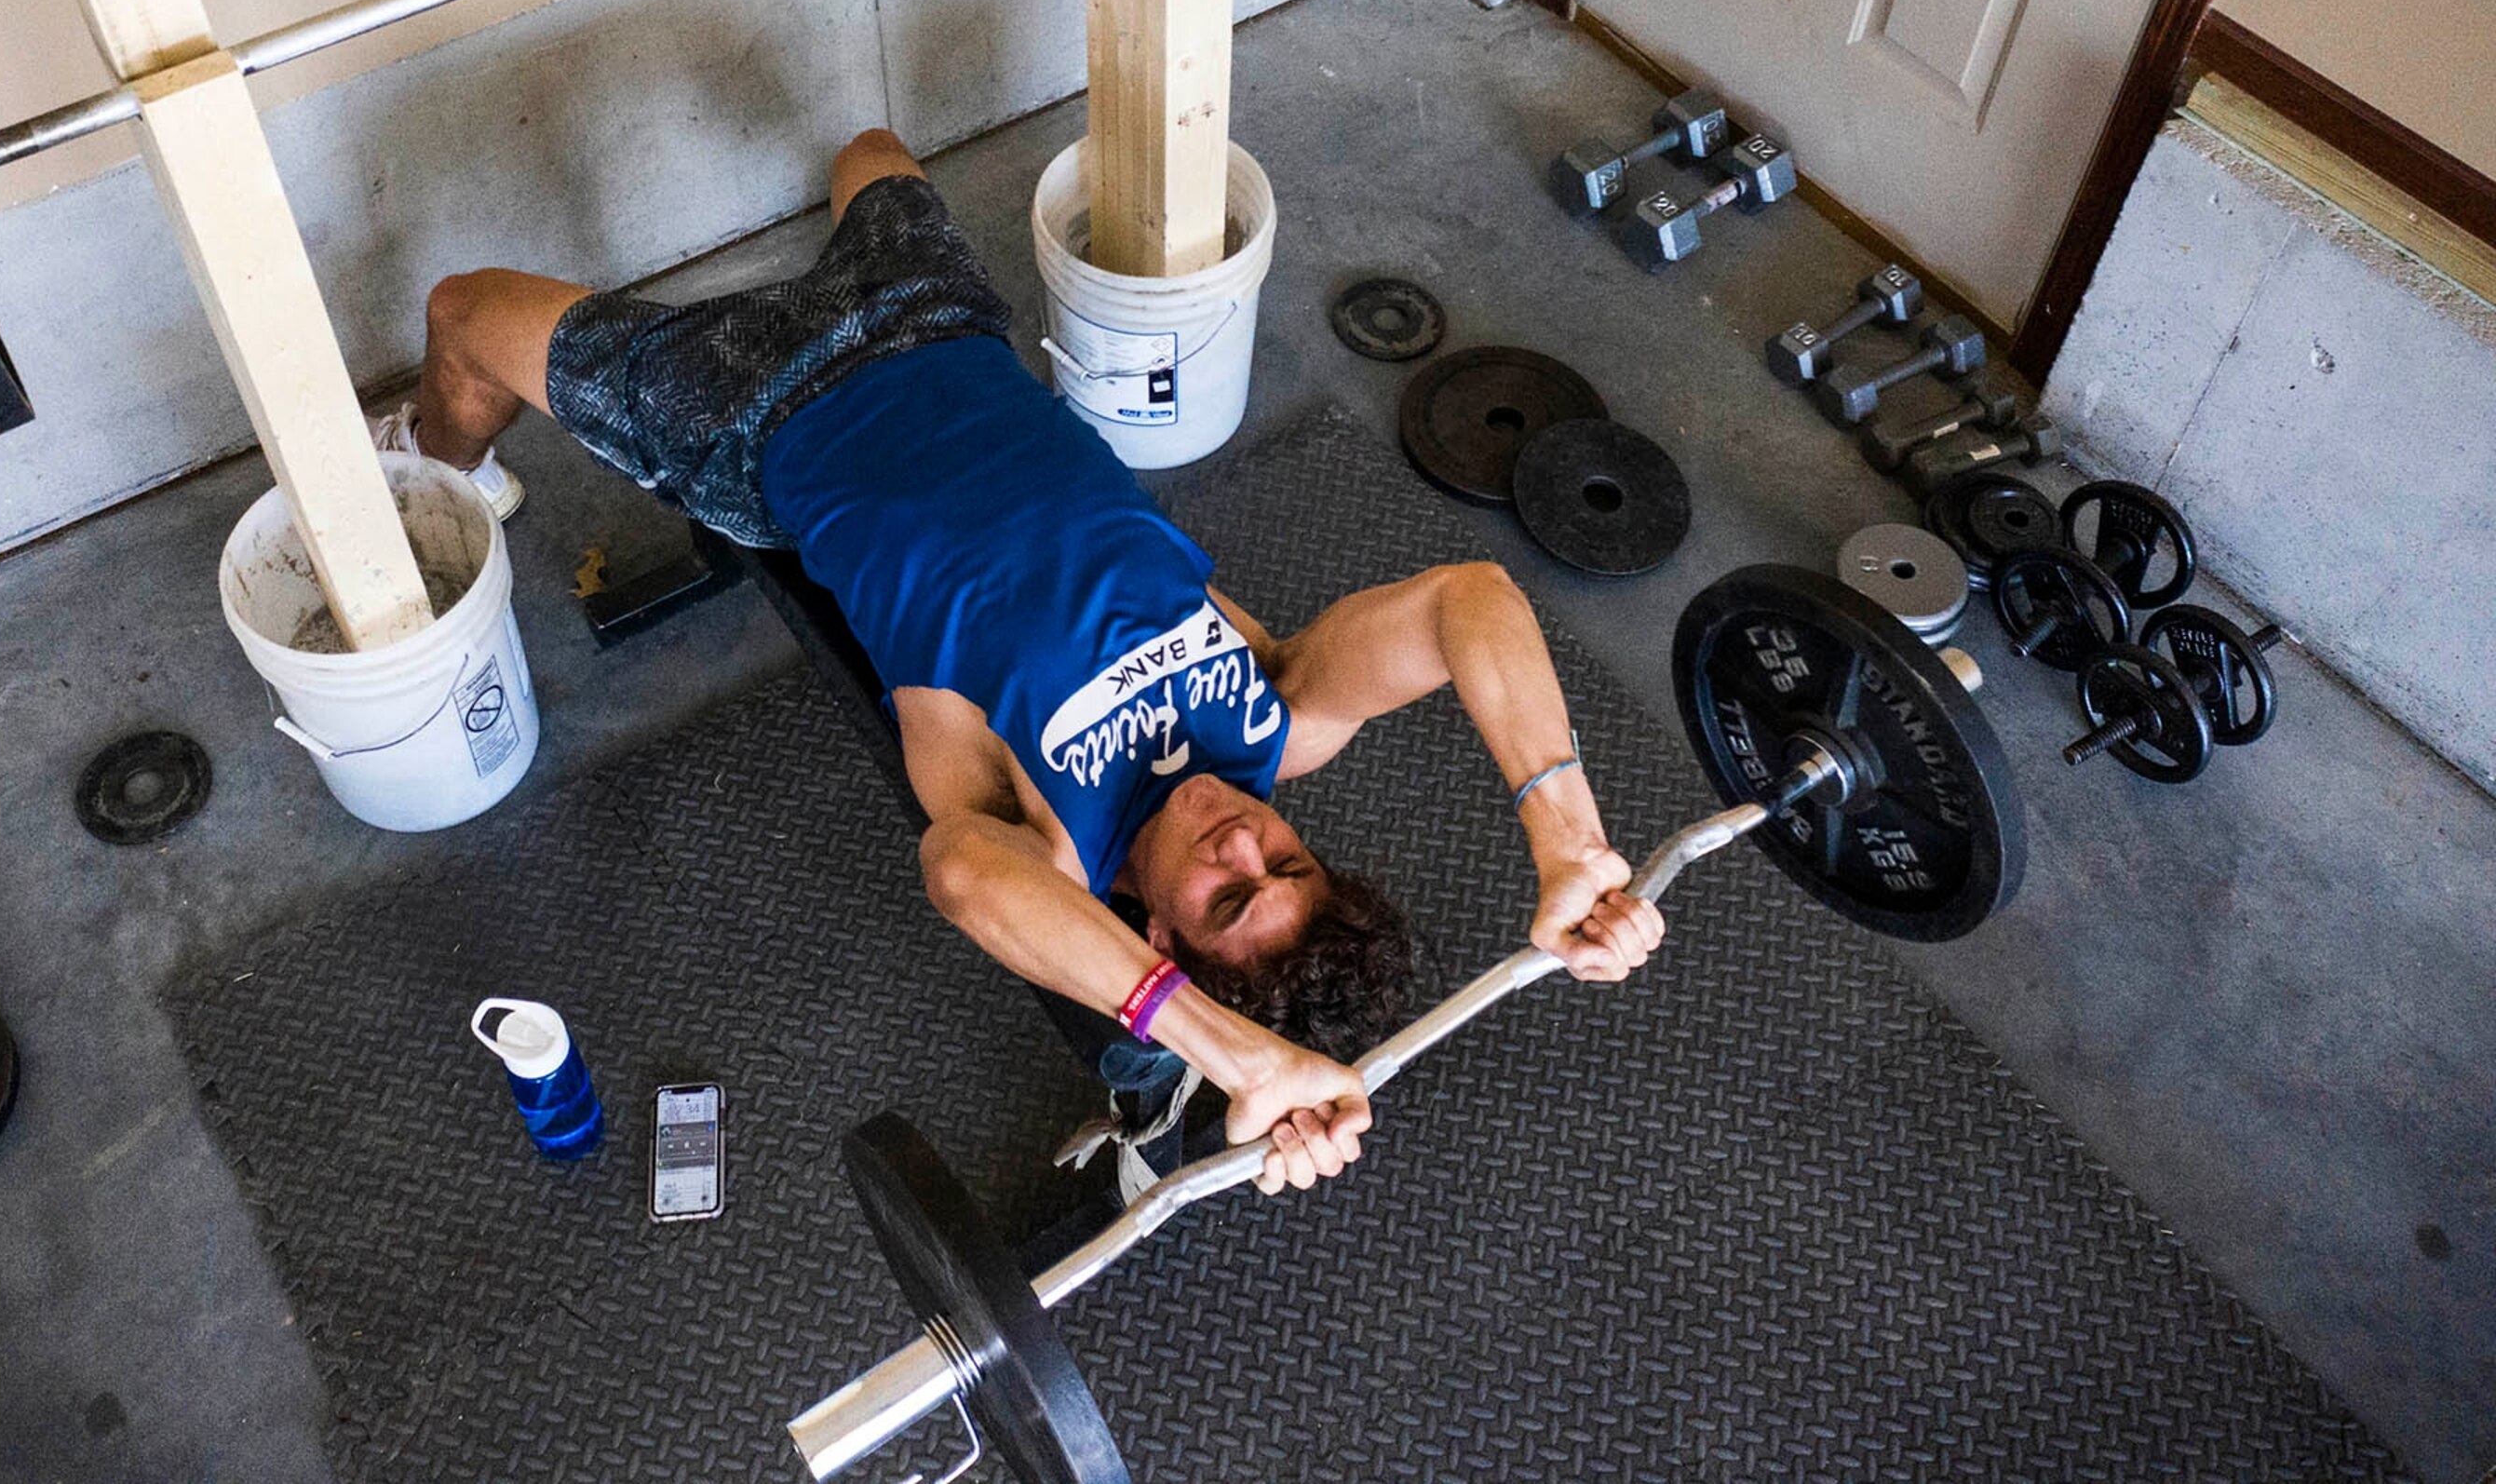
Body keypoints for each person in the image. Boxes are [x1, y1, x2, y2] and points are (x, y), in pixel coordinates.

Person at [374, 129, 1665, 1195]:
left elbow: (956, 873)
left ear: (1157, 933)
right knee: (873, 156)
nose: (1239, 843)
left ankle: (441, 464)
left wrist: (1234, 1059)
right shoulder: (1280, 713)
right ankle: (833, 236)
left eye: (1225, 897)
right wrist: (1566, 842)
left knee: (462, 313)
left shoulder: (1044, 844)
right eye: (1286, 855)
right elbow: (1471, 600)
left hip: (763, 410)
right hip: (936, 330)